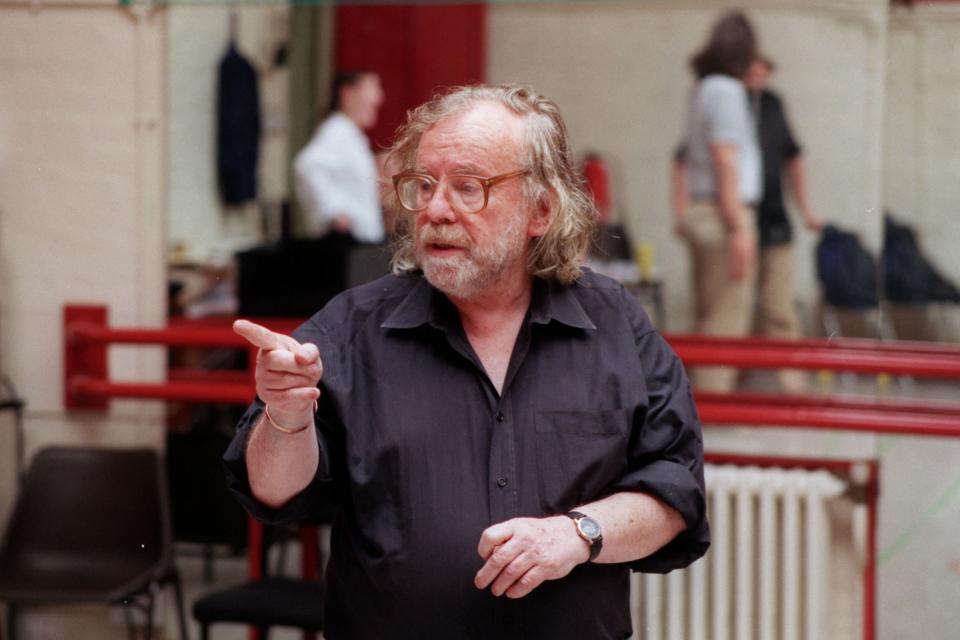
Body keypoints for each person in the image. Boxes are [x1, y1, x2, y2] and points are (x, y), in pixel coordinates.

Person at [226, 84, 709, 639]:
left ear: (541, 209)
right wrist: (286, 414)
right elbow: (272, 491)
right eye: (423, 185)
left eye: (468, 187)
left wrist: (578, 535)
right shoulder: (351, 327)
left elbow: (675, 488)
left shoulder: (615, 325)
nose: (435, 209)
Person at [672, 11, 761, 392]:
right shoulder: (726, 91)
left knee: (707, 312)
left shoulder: (703, 88)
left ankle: (696, 407)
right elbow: (725, 158)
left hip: (703, 210)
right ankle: (714, 411)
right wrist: (739, 226)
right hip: (724, 213)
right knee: (726, 318)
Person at [744, 55, 823, 392]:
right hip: (740, 222)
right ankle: (730, 387)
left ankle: (794, 390)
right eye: (752, 71)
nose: (757, 78)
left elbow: (793, 158)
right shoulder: (728, 102)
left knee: (779, 307)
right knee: (736, 310)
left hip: (775, 221)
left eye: (764, 73)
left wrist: (806, 210)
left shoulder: (774, 104)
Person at [293, 70, 386, 244]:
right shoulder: (337, 130)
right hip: (347, 244)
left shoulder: (350, 134)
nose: (379, 97)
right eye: (372, 89)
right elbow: (307, 165)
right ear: (347, 94)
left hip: (362, 241)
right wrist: (334, 212)